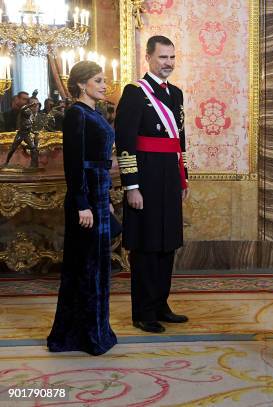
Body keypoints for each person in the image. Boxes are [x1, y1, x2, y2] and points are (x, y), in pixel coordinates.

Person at [115, 35, 189, 334]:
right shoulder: (134, 93)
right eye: (162, 57)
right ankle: (143, 311)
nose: (168, 63)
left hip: (170, 177)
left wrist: (185, 177)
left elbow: (180, 140)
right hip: (144, 177)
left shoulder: (177, 94)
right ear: (148, 58)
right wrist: (131, 186)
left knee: (167, 243)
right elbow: (125, 142)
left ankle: (161, 304)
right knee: (145, 246)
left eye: (172, 57)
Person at [47, 61, 117, 356]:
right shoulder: (76, 114)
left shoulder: (94, 112)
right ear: (81, 84)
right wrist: (82, 204)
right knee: (85, 267)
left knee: (98, 266)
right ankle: (81, 335)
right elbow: (73, 164)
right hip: (86, 199)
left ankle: (96, 330)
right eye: (98, 80)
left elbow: (100, 160)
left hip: (99, 195)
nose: (104, 85)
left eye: (103, 80)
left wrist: (108, 199)